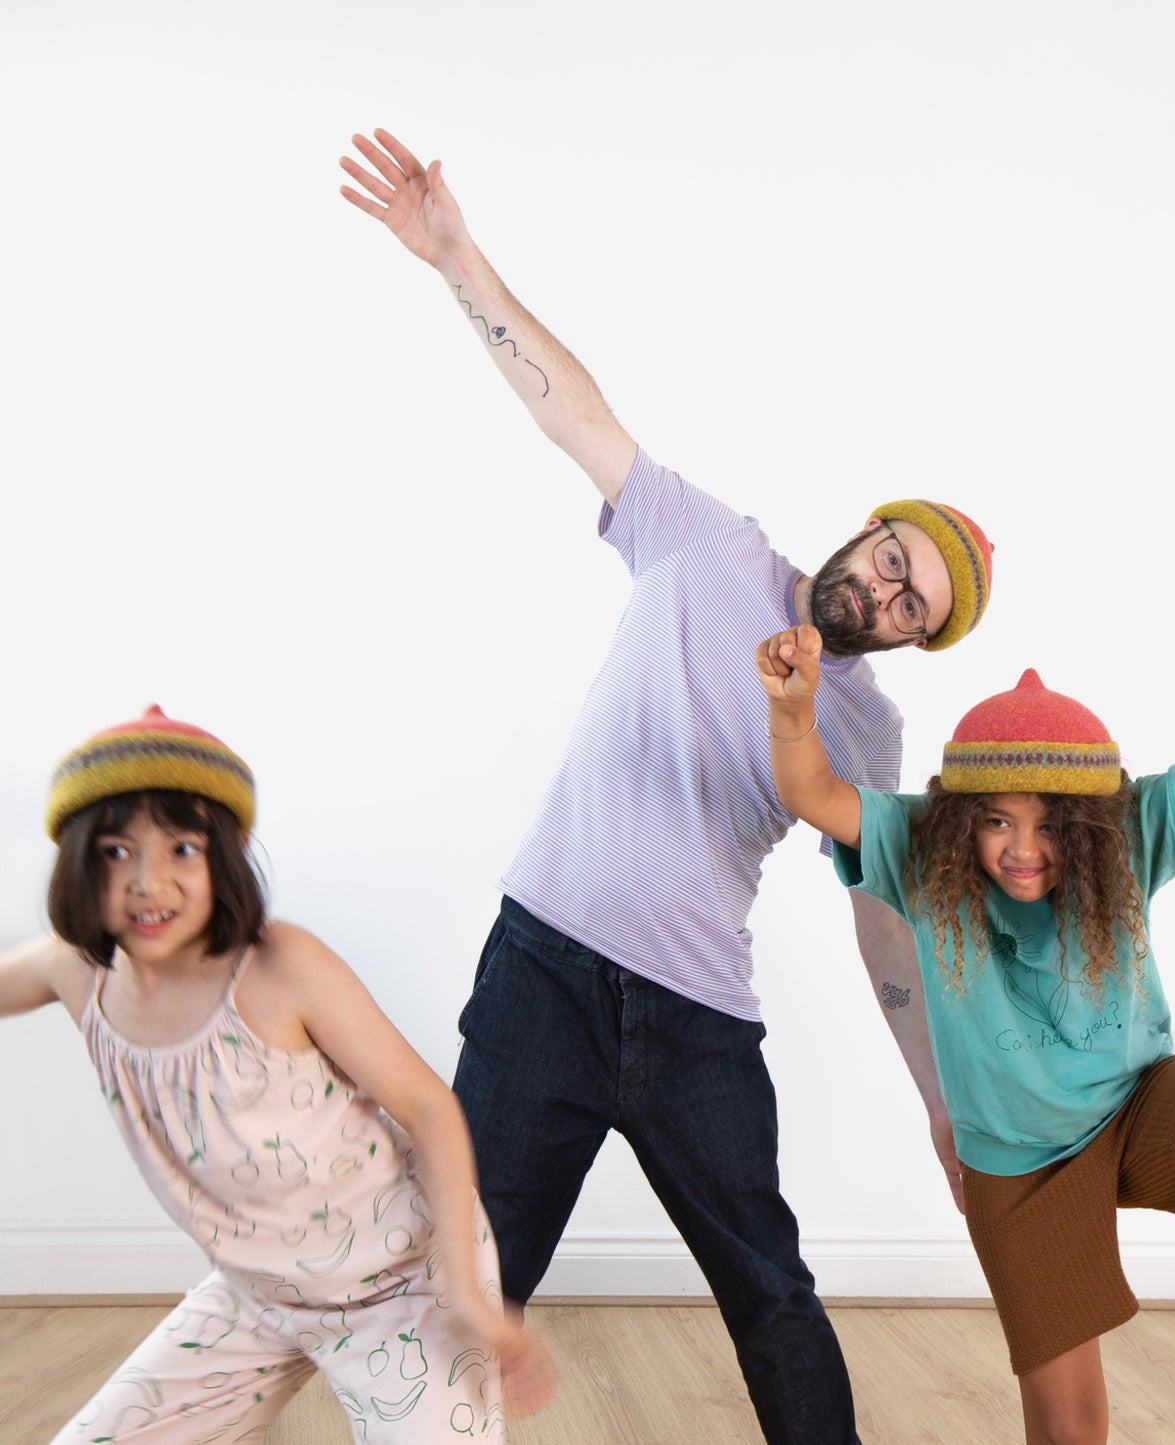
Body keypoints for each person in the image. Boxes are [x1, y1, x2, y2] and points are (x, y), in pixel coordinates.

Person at [339, 127, 995, 1444]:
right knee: (470, 1279)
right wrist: (456, 259)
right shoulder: (706, 544)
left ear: (912, 636)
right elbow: (569, 408)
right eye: (888, 557)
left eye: (909, 603)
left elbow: (884, 929)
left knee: (770, 1291)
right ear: (866, 530)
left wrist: (940, 1103)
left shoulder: (866, 736)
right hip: (544, 974)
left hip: (698, 1019)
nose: (880, 588)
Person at [756, 618, 1175, 1445]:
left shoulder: (1126, 836)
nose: (1023, 850)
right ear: (958, 816)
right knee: (1071, 1431)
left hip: (1141, 1108)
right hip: (1017, 1159)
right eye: (996, 821)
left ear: (1088, 822)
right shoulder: (916, 844)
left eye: (1050, 825)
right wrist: (793, 716)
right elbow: (813, 794)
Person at [0, 704, 555, 1442]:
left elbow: (427, 1109)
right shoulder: (76, 973)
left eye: (181, 850)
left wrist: (468, 1293)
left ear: (227, 853)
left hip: (404, 1287)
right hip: (260, 1292)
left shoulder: (280, 966)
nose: (147, 880)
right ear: (77, 860)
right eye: (114, 852)